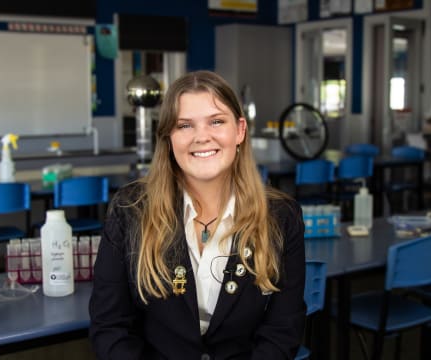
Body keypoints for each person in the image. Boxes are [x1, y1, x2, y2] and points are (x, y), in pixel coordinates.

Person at [89, 70, 306, 359]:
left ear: (240, 130)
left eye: (216, 121)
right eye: (185, 125)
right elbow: (110, 326)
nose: (202, 137)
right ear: (168, 137)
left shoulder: (281, 216)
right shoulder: (130, 210)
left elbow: (283, 330)